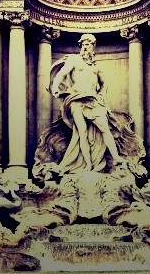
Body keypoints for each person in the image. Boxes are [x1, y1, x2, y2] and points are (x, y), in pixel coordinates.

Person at [50, 34, 125, 173]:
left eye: (89, 44)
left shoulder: (96, 67)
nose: (86, 47)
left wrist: (101, 95)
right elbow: (61, 74)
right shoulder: (74, 60)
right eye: (84, 44)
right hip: (76, 99)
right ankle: (88, 164)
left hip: (93, 100)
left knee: (105, 128)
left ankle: (116, 157)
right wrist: (55, 87)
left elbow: (104, 83)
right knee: (82, 132)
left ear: (93, 47)